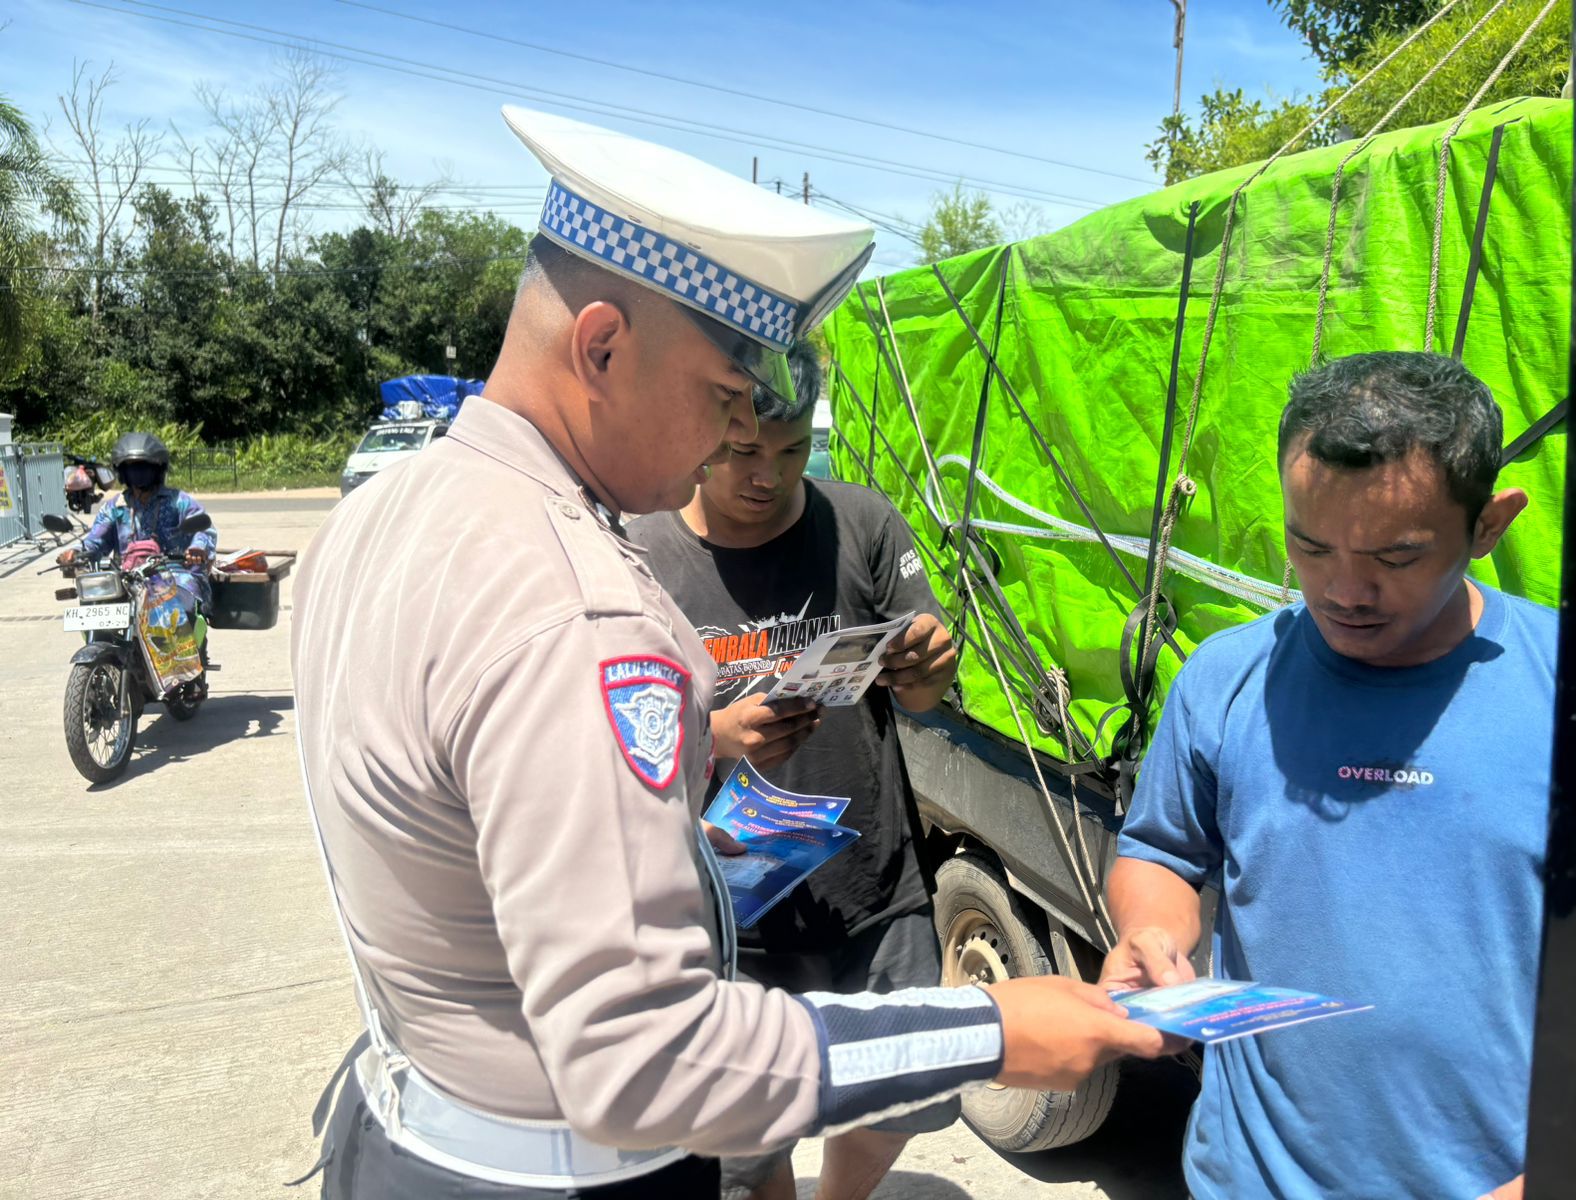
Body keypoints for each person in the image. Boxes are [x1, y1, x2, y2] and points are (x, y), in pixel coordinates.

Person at [290, 107, 1169, 1200]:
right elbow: (642, 1060)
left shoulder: (389, 514)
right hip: (562, 1170)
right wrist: (984, 1034)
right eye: (718, 399)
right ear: (600, 345)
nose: (726, 445)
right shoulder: (581, 607)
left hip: (411, 1128)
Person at [1100, 351, 1550, 1200]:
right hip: (1247, 1179)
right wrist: (1150, 934)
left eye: (1397, 556)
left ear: (1489, 526)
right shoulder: (1226, 678)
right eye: (1310, 545)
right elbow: (1159, 852)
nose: (1345, 589)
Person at [627, 339, 961, 1200]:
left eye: (791, 450)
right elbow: (603, 740)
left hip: (873, 889)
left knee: (901, 1090)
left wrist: (929, 668)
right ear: (702, 430)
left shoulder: (861, 522)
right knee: (745, 1137)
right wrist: (714, 735)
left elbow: (924, 693)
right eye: (742, 450)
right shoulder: (641, 553)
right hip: (727, 912)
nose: (768, 476)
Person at [57, 430, 217, 618]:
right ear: (123, 471)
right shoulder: (115, 507)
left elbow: (204, 529)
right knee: (95, 601)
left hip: (175, 575)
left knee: (177, 610)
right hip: (128, 577)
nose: (138, 471)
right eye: (131, 466)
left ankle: (187, 645)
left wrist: (198, 548)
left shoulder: (179, 501)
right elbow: (95, 541)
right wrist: (76, 552)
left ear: (157, 469)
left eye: (144, 466)